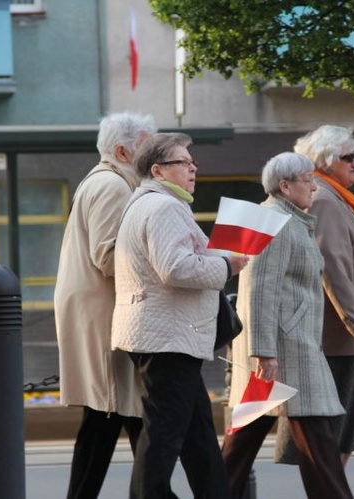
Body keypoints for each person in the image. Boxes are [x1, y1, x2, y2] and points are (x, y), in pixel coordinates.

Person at [111, 133, 249, 499]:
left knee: (198, 435)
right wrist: (226, 265)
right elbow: (174, 268)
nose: (192, 168)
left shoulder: (147, 204)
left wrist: (216, 257)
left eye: (193, 162)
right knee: (164, 437)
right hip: (168, 338)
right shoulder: (164, 207)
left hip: (166, 335)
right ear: (158, 170)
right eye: (183, 162)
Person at [222, 152, 354, 499]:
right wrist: (263, 352)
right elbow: (257, 290)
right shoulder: (272, 222)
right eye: (308, 180)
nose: (314, 186)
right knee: (316, 437)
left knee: (242, 447)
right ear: (285, 186)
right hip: (284, 349)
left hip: (287, 347)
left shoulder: (289, 221)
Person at [54, 111, 159, 499]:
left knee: (111, 420)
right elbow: (108, 256)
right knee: (119, 413)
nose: (159, 154)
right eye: (150, 146)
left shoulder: (108, 181)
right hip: (106, 318)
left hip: (105, 315)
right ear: (123, 151)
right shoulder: (114, 186)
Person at [293, 125, 354, 466]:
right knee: (340, 427)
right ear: (325, 161)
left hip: (351, 334)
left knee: (350, 422)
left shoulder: (336, 198)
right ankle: (330, 490)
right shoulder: (324, 199)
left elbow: (346, 254)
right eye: (349, 157)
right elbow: (331, 265)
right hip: (344, 337)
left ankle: (331, 487)